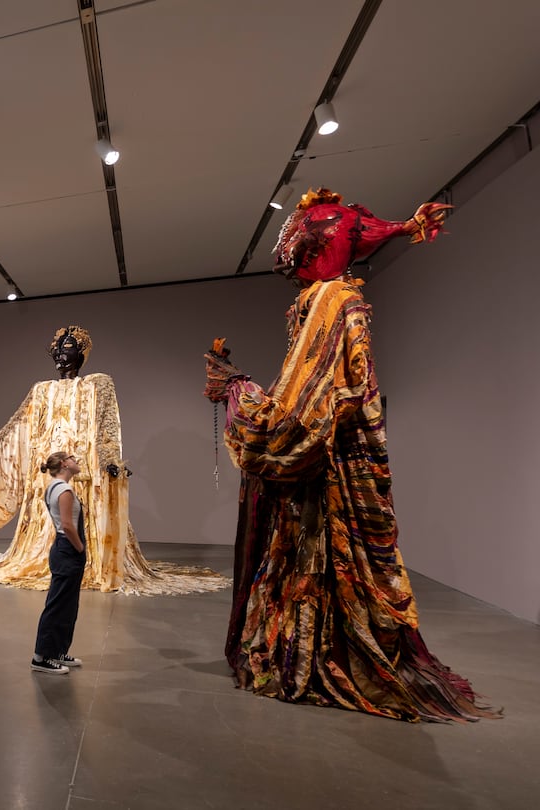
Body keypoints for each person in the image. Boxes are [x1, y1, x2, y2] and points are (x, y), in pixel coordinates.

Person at [204, 187, 496, 722]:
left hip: (332, 469)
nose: (298, 259)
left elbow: (306, 416)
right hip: (327, 469)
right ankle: (315, 644)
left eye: (310, 244)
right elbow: (305, 402)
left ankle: (322, 652)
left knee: (323, 554)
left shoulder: (338, 301)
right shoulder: (317, 303)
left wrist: (237, 390)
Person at [0, 326, 226, 596]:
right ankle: (56, 559)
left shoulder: (99, 384)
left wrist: (111, 462)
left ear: (81, 353)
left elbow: (107, 428)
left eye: (67, 348)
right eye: (56, 348)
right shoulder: (41, 390)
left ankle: (83, 558)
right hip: (49, 474)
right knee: (59, 521)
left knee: (78, 520)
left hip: (85, 472)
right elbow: (7, 434)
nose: (59, 353)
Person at [31, 451, 86, 674]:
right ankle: (41, 657)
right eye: (73, 459)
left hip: (63, 549)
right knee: (58, 606)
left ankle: (58, 651)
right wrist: (80, 548)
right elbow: (68, 525)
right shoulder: (64, 490)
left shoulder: (53, 486)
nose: (77, 461)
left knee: (68, 606)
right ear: (64, 464)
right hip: (68, 549)